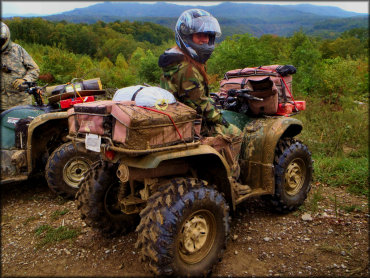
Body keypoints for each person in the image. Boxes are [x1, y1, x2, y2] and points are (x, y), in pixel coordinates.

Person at [158, 9, 251, 195]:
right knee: (235, 133)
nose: (206, 40)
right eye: (200, 35)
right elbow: (199, 105)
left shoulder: (174, 59)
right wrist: (219, 118)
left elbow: (190, 95)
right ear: (185, 35)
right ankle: (232, 181)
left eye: (208, 36)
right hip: (190, 122)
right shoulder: (186, 68)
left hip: (175, 114)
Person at [1, 22, 40, 112]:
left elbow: (34, 69)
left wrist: (25, 80)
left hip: (21, 103)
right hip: (2, 106)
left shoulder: (17, 50)